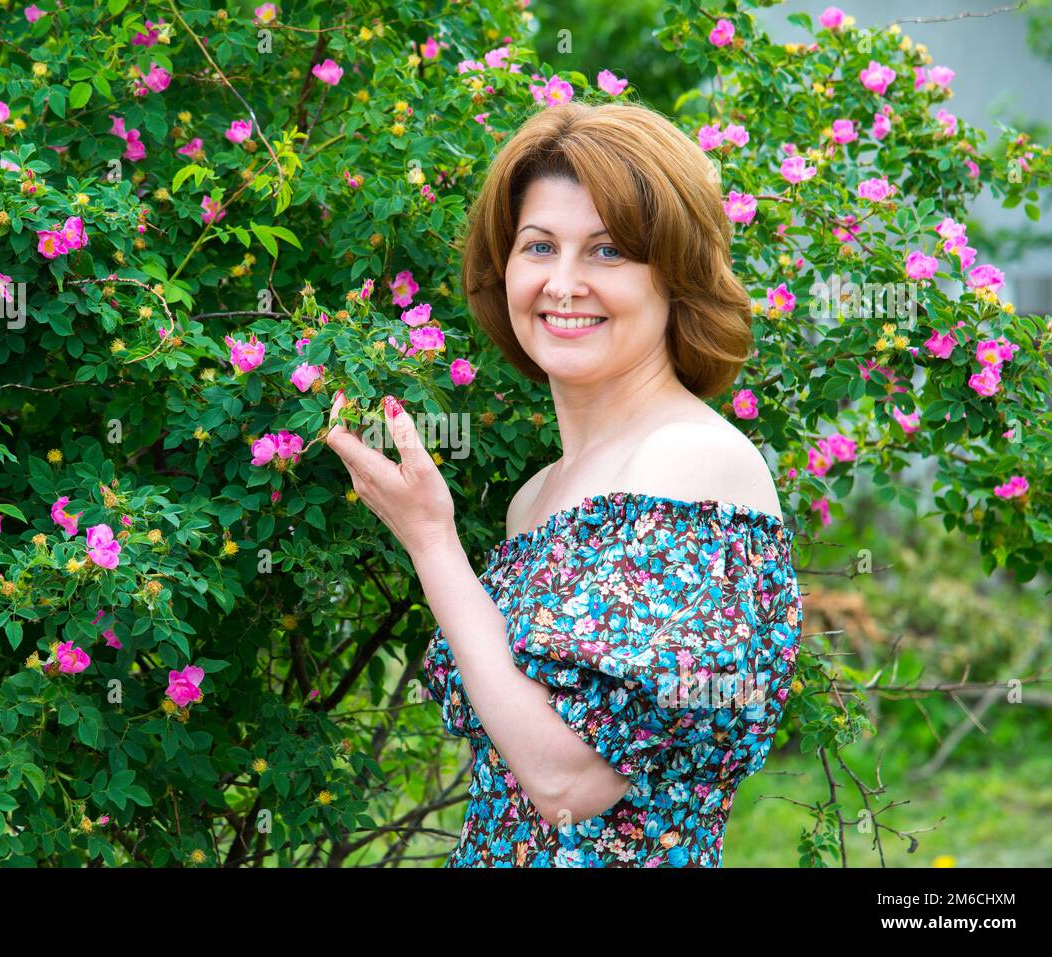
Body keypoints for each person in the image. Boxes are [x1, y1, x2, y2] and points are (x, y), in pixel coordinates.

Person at [325, 100, 803, 866]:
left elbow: (569, 782)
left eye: (608, 252)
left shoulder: (692, 463)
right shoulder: (537, 496)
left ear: (674, 276)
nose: (565, 283)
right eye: (540, 246)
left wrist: (430, 539)